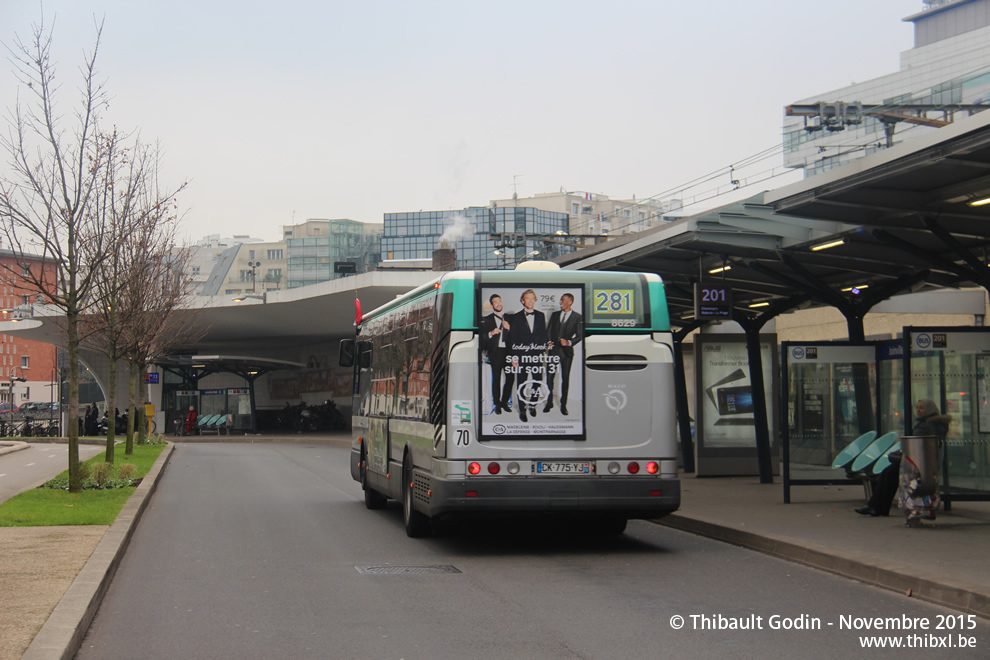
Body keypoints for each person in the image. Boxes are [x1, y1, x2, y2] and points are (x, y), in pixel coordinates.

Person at [856, 398, 949, 518]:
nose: (918, 410)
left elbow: (927, 443)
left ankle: (877, 507)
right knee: (887, 472)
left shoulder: (932, 425)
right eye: (917, 408)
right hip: (917, 460)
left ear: (929, 409)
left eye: (922, 408)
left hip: (923, 463)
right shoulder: (924, 423)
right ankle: (875, 506)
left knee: (890, 473)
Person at [507, 289, 549, 423]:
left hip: (537, 355)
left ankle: (532, 405)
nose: (530, 301)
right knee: (521, 383)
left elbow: (543, 335)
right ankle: (522, 410)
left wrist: (543, 351)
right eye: (527, 299)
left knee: (537, 381)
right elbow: (512, 338)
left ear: (535, 300)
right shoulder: (516, 317)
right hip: (521, 356)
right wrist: (514, 357)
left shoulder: (541, 315)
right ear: (522, 301)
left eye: (532, 298)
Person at [544, 292, 583, 416]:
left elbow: (580, 335)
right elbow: (549, 331)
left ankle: (563, 405)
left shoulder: (578, 317)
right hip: (553, 351)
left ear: (569, 302)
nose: (560, 302)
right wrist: (549, 342)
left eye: (562, 300)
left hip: (567, 353)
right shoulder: (555, 315)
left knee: (565, 378)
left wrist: (569, 342)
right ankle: (549, 402)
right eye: (560, 300)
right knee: (550, 377)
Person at [480, 294, 513, 415]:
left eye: (500, 301)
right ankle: (497, 404)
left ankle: (505, 402)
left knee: (510, 378)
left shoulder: (511, 317)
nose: (498, 303)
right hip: (496, 352)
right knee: (497, 379)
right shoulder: (487, 319)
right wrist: (490, 333)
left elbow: (518, 335)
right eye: (495, 302)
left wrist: (509, 328)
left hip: (509, 352)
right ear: (492, 305)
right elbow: (482, 339)